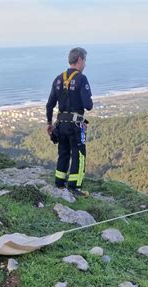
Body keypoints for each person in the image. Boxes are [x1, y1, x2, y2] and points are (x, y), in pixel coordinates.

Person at [46, 47, 93, 196]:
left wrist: (49, 123)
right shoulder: (81, 78)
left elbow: (50, 104)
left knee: (63, 152)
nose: (85, 64)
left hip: (60, 124)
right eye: (84, 61)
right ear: (79, 60)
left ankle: (59, 183)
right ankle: (75, 187)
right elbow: (88, 105)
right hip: (75, 124)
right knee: (79, 154)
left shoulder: (58, 78)